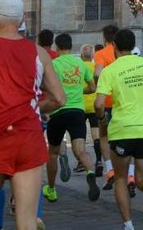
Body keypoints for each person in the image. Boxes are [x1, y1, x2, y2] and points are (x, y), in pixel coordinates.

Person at [0, 0, 66, 230]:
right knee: (26, 220)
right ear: (22, 20)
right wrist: (35, 108)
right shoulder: (39, 52)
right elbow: (59, 98)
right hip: (28, 136)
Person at [94, 28, 143, 229]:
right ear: (133, 45)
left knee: (120, 178)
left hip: (122, 130)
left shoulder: (110, 70)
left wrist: (102, 117)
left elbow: (98, 104)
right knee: (142, 179)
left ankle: (128, 224)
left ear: (114, 46)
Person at [42, 33, 100, 204]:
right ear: (71, 46)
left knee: (52, 153)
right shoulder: (80, 64)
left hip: (58, 111)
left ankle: (51, 189)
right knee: (80, 150)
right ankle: (90, 172)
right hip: (77, 112)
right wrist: (78, 91)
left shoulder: (54, 64)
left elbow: (45, 87)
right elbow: (92, 87)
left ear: (57, 48)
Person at [92, 24, 120, 188]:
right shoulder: (121, 53)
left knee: (104, 136)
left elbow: (97, 73)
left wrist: (100, 87)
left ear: (105, 38)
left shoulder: (101, 53)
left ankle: (110, 172)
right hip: (121, 101)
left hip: (107, 101)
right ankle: (127, 174)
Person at [80, 44, 99, 174]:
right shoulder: (95, 67)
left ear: (81, 55)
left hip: (80, 104)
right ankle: (99, 161)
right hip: (93, 104)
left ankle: (82, 162)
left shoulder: (79, 67)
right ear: (92, 55)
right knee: (96, 135)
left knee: (79, 136)